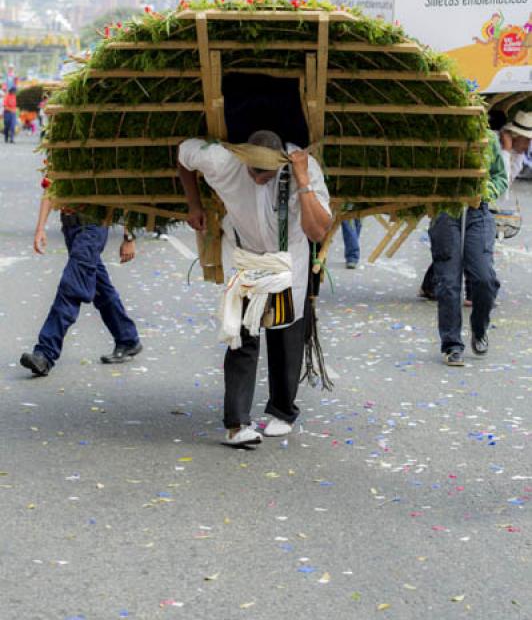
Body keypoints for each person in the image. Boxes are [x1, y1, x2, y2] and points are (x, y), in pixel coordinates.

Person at [178, 130, 331, 447]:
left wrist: (302, 179)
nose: (259, 178)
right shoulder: (222, 160)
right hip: (246, 259)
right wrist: (193, 204)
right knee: (242, 336)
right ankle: (236, 424)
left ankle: (282, 410)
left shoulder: (304, 168)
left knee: (286, 334)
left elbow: (317, 231)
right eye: (253, 170)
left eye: (267, 172)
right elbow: (182, 154)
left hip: (289, 263)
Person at [20, 196, 142, 376]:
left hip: (93, 227)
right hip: (71, 228)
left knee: (71, 287)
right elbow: (50, 188)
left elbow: (122, 193)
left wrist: (129, 236)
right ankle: (127, 338)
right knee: (100, 287)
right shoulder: (57, 166)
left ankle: (45, 353)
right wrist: (40, 228)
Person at [429, 131, 508, 366]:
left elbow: (500, 177)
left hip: (478, 211)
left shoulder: (489, 138)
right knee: (448, 283)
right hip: (446, 209)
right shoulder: (439, 137)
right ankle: (452, 344)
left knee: (484, 278)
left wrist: (485, 192)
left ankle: (479, 328)